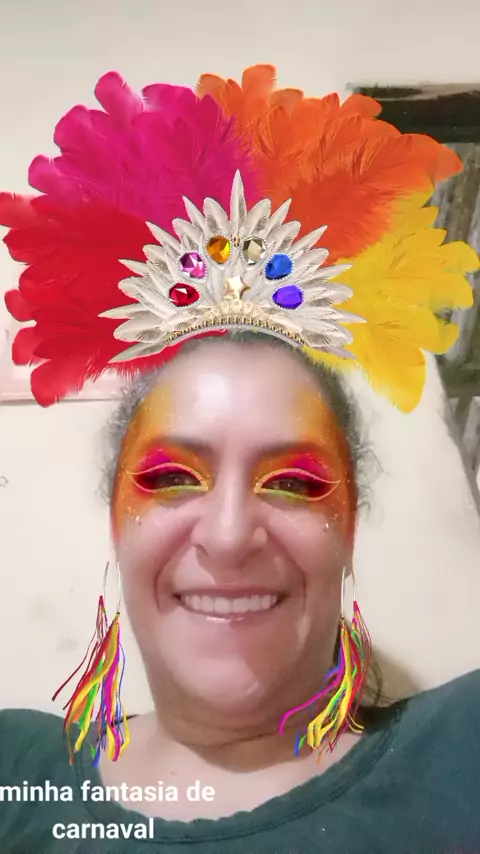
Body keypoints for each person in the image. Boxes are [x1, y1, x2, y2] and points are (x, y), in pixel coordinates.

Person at [0, 64, 479, 853]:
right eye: (170, 477)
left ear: (349, 526)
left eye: (292, 483)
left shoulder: (461, 755)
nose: (227, 537)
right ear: (116, 517)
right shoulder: (16, 772)